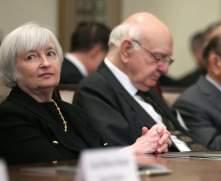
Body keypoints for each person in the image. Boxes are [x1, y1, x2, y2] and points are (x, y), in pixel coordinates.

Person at [0, 23, 171, 165]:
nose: (45, 63)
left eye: (50, 54)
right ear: (12, 69)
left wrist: (148, 144)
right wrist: (132, 150)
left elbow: (102, 151)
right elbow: (53, 167)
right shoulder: (10, 115)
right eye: (31, 57)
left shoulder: (72, 112)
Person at [74, 12, 204, 152]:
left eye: (168, 60)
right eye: (158, 57)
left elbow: (183, 137)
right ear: (126, 50)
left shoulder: (147, 86)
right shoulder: (94, 90)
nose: (165, 69)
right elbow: (116, 153)